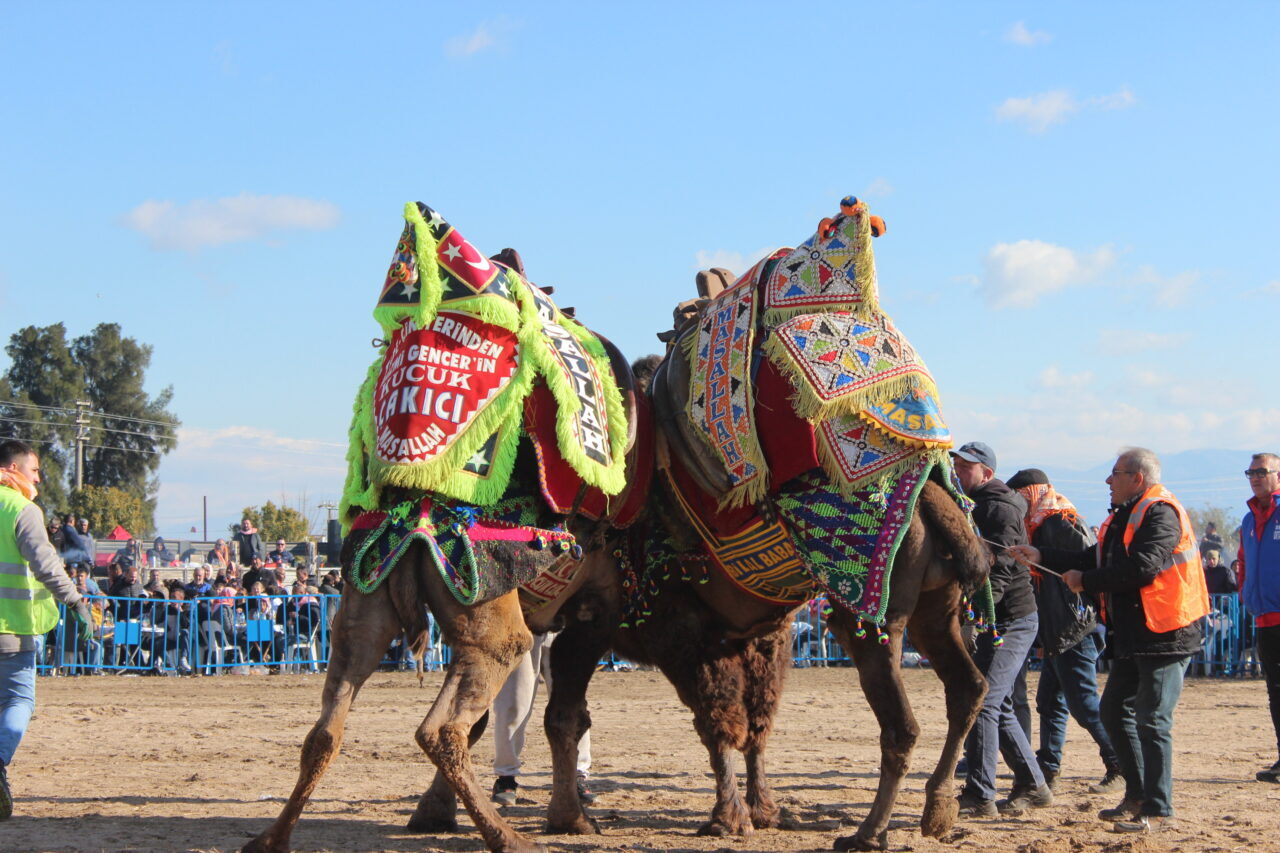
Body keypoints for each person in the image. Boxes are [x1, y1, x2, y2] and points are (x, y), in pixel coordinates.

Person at [1011, 447, 1208, 833]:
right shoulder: (1126, 514)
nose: (1107, 480)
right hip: (1136, 634)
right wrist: (1040, 553)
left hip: (1167, 632)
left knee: (1152, 720)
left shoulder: (1159, 511)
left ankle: (1159, 809)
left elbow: (1142, 568)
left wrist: (1086, 582)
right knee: (1113, 711)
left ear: (1136, 477)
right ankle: (1136, 794)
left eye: (1114, 473)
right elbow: (1094, 556)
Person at [950, 442, 1051, 818]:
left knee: (984, 699)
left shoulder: (1001, 510)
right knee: (1000, 704)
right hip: (1000, 618)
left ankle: (980, 794)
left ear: (986, 474)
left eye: (966, 468)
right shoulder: (972, 505)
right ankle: (1034, 785)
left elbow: (1004, 570)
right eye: (956, 465)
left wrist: (977, 614)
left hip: (1012, 618)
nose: (958, 472)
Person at [1006, 468, 1121, 794]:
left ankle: (1118, 763)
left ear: (1031, 492)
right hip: (1059, 630)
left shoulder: (1061, 521)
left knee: (1083, 703)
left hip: (1077, 627)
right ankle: (1048, 767)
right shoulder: (1039, 526)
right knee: (1049, 702)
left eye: (1019, 496)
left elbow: (1086, 563)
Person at [0, 440, 92, 818]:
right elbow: (46, 564)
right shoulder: (22, 509)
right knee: (19, 701)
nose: (38, 477)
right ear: (15, 469)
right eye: (35, 470)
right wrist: (76, 602)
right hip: (12, 630)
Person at [491, 631, 593, 806]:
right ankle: (505, 776)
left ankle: (577, 774)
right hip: (523, 626)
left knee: (573, 705)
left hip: (564, 626)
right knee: (513, 704)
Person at [1238, 452, 1280, 784]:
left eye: (1261, 471)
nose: (1254, 476)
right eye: (1250, 472)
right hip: (1265, 617)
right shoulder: (1249, 520)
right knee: (1275, 691)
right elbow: (1243, 562)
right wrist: (1245, 593)